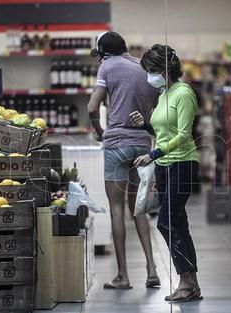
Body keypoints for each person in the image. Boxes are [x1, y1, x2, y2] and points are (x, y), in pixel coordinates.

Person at [87, 31, 160, 289]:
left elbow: (92, 107)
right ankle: (152, 271)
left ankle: (123, 276)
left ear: (104, 53)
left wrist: (99, 131)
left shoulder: (107, 66)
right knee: (139, 207)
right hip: (141, 145)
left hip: (116, 143)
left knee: (117, 208)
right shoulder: (142, 66)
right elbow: (156, 103)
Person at [130, 44, 202, 303]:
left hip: (182, 164)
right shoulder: (164, 93)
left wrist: (154, 154)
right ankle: (190, 282)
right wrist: (146, 125)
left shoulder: (183, 93)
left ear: (165, 69)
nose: (149, 75)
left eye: (151, 70)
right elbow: (165, 132)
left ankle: (186, 280)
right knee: (177, 221)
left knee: (167, 221)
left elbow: (184, 135)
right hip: (164, 167)